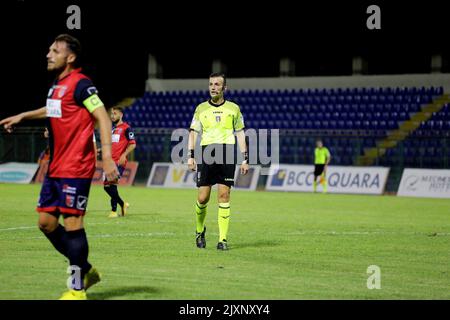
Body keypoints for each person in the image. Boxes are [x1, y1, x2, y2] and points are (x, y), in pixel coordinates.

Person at [0, 34, 118, 300]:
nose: (48, 54)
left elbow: (102, 116)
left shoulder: (81, 84)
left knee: (73, 223)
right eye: (49, 50)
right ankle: (87, 270)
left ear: (70, 57)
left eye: (55, 50)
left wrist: (107, 156)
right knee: (46, 223)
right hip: (55, 167)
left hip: (76, 166)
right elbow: (51, 109)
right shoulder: (57, 85)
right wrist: (23, 115)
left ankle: (77, 290)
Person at [187, 73, 248, 251]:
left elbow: (240, 133)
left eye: (217, 84)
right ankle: (199, 230)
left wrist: (245, 158)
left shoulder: (234, 108)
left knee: (224, 195)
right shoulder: (200, 109)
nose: (213, 87)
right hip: (207, 153)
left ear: (224, 88)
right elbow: (193, 133)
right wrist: (190, 155)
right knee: (202, 197)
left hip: (227, 152)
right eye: (211, 84)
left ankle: (223, 239)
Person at [104, 106, 136, 218]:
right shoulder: (112, 129)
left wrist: (123, 155)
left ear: (121, 114)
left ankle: (115, 210)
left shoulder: (127, 128)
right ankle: (120, 206)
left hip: (119, 161)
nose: (112, 116)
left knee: (109, 185)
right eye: (111, 114)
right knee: (110, 186)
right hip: (111, 162)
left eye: (115, 113)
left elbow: (133, 144)